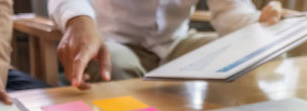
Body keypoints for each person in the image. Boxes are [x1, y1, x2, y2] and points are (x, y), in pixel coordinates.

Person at [48, 0, 287, 90]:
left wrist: (262, 19)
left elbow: (231, 12)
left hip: (176, 42)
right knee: (114, 66)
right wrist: (78, 19)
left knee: (246, 54)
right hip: (115, 41)